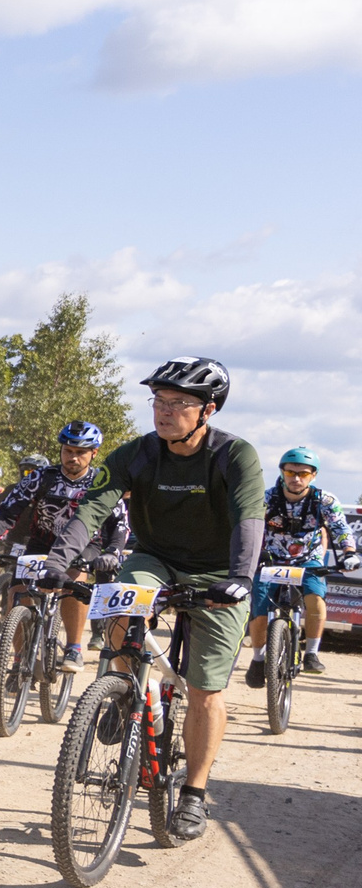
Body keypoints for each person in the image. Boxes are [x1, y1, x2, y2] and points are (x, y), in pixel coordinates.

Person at [47, 357, 264, 841]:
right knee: (122, 604)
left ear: (207, 409)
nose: (164, 412)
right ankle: (122, 690)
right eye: (159, 402)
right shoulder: (138, 453)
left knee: (206, 689)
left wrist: (241, 579)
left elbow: (250, 517)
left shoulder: (235, 455)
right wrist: (58, 562)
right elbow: (94, 505)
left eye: (178, 403)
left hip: (218, 572)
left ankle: (193, 795)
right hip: (155, 558)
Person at [0, 423, 124, 669]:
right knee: (16, 594)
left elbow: (120, 523)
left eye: (81, 453)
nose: (73, 458)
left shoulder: (102, 482)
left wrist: (112, 552)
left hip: (85, 545)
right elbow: (7, 511)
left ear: (94, 453)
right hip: (42, 543)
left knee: (73, 580)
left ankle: (74, 648)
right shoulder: (40, 478)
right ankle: (18, 659)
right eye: (68, 451)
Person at [246, 445, 357, 683]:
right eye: (290, 472)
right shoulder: (265, 498)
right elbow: (249, 527)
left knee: (315, 597)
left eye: (304, 474)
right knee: (259, 608)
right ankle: (257, 659)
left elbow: (340, 527)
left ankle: (312, 654)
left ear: (313, 475)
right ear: (282, 472)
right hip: (271, 559)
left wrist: (349, 551)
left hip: (308, 560)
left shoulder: (324, 501)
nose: (296, 478)